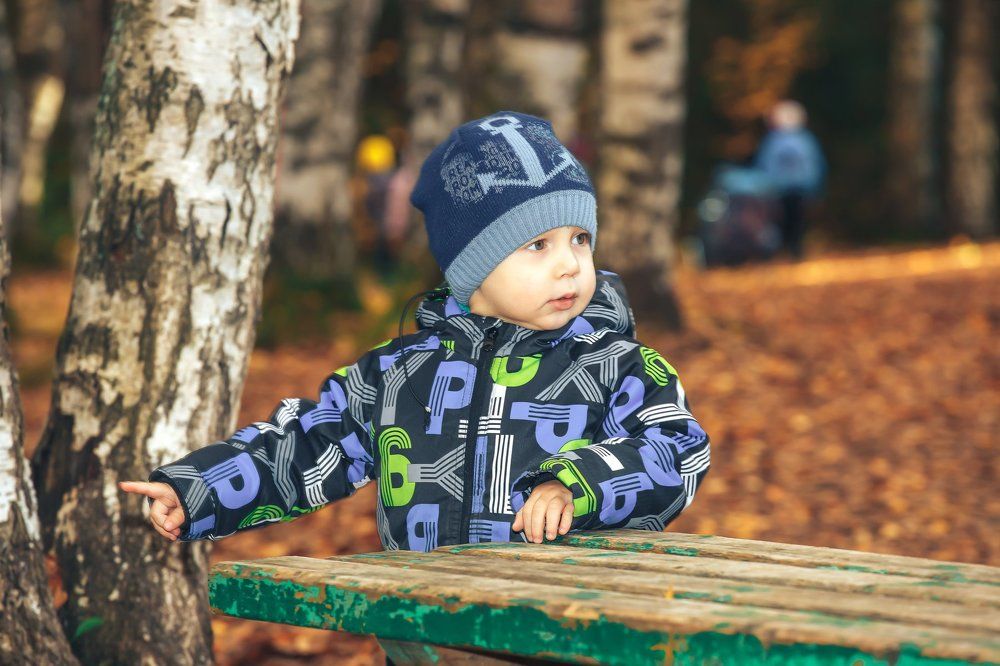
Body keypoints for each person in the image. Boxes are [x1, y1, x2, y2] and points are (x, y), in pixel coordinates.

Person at [119, 111, 711, 550]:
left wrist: (575, 485)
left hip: (563, 626)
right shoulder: (397, 373)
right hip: (425, 625)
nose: (570, 265)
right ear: (473, 267)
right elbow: (310, 444)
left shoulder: (617, 365)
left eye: (580, 239)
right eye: (538, 244)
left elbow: (678, 450)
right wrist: (199, 490)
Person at [755, 100, 826, 259]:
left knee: (787, 222)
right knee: (794, 222)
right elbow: (814, 165)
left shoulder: (774, 141)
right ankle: (793, 251)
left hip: (785, 189)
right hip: (793, 189)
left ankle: (789, 251)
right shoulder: (805, 140)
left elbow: (765, 166)